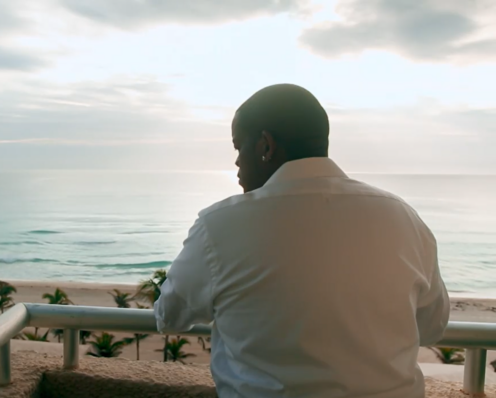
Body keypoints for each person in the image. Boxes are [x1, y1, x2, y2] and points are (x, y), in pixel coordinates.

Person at [154, 84, 450, 398]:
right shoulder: (403, 217)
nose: (238, 162)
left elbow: (169, 316)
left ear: (266, 145)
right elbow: (432, 326)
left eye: (239, 147)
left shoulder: (219, 226)